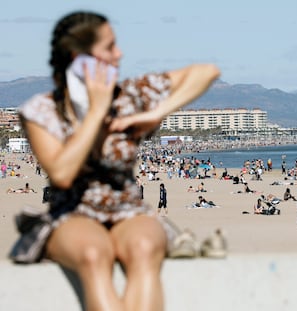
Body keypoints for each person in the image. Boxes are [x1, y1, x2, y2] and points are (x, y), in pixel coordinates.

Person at [13, 11, 220, 311]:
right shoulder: (42, 111)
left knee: (145, 249)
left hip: (127, 208)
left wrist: (157, 111)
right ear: (79, 57)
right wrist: (96, 113)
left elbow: (206, 72)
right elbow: (61, 174)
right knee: (94, 255)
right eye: (110, 47)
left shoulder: (130, 95)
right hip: (72, 212)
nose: (119, 53)